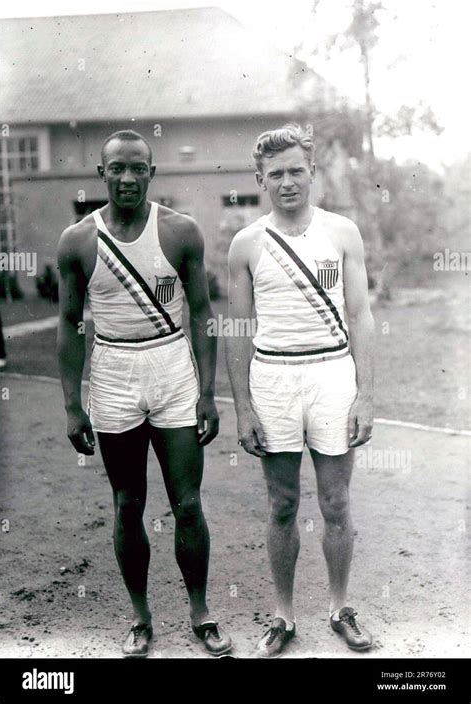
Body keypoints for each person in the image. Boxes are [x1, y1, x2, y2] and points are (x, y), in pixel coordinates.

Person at [57, 130, 231, 658]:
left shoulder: (180, 231)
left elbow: (202, 314)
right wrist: (72, 404)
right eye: (117, 168)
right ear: (101, 174)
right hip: (112, 371)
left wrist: (207, 393)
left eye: (138, 168)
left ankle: (201, 612)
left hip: (171, 364)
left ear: (152, 174)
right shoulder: (77, 241)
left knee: (187, 503)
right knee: (128, 503)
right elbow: (68, 323)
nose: (127, 177)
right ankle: (140, 617)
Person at [226, 124, 375, 658]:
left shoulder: (342, 233)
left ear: (311, 172)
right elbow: (237, 330)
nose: (287, 182)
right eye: (276, 174)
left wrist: (366, 394)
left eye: (296, 171)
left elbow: (360, 314)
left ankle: (339, 607)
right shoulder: (246, 243)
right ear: (260, 179)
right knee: (282, 502)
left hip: (333, 376)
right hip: (274, 380)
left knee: (335, 501)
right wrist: (243, 408)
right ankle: (284, 615)